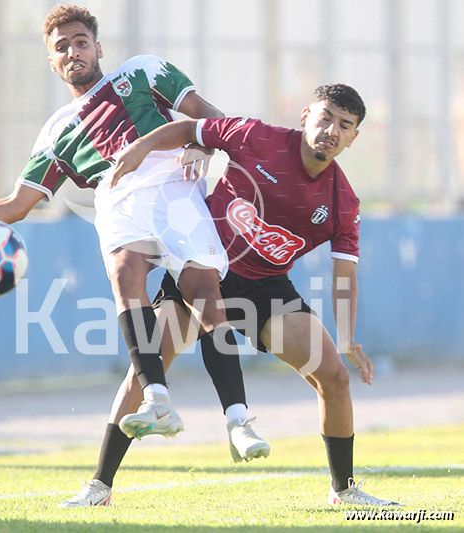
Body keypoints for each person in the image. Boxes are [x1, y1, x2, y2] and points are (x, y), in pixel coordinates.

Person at [0, 3, 269, 467]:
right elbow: (17, 205)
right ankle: (157, 398)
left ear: (98, 47)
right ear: (52, 62)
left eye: (80, 42)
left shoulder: (144, 71)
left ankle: (238, 419)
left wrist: (198, 142)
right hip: (118, 201)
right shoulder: (56, 132)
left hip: (175, 188)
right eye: (62, 47)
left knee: (205, 296)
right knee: (124, 273)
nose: (73, 51)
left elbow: (211, 116)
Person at [69, 83, 403, 508]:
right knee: (146, 372)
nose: (331, 130)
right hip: (202, 270)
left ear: (354, 137)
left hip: (265, 288)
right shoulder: (256, 137)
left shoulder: (343, 202)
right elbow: (190, 127)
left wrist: (349, 337)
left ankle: (345, 490)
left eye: (345, 125)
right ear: (306, 116)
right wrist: (136, 152)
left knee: (334, 376)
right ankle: (99, 487)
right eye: (325, 118)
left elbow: (345, 276)